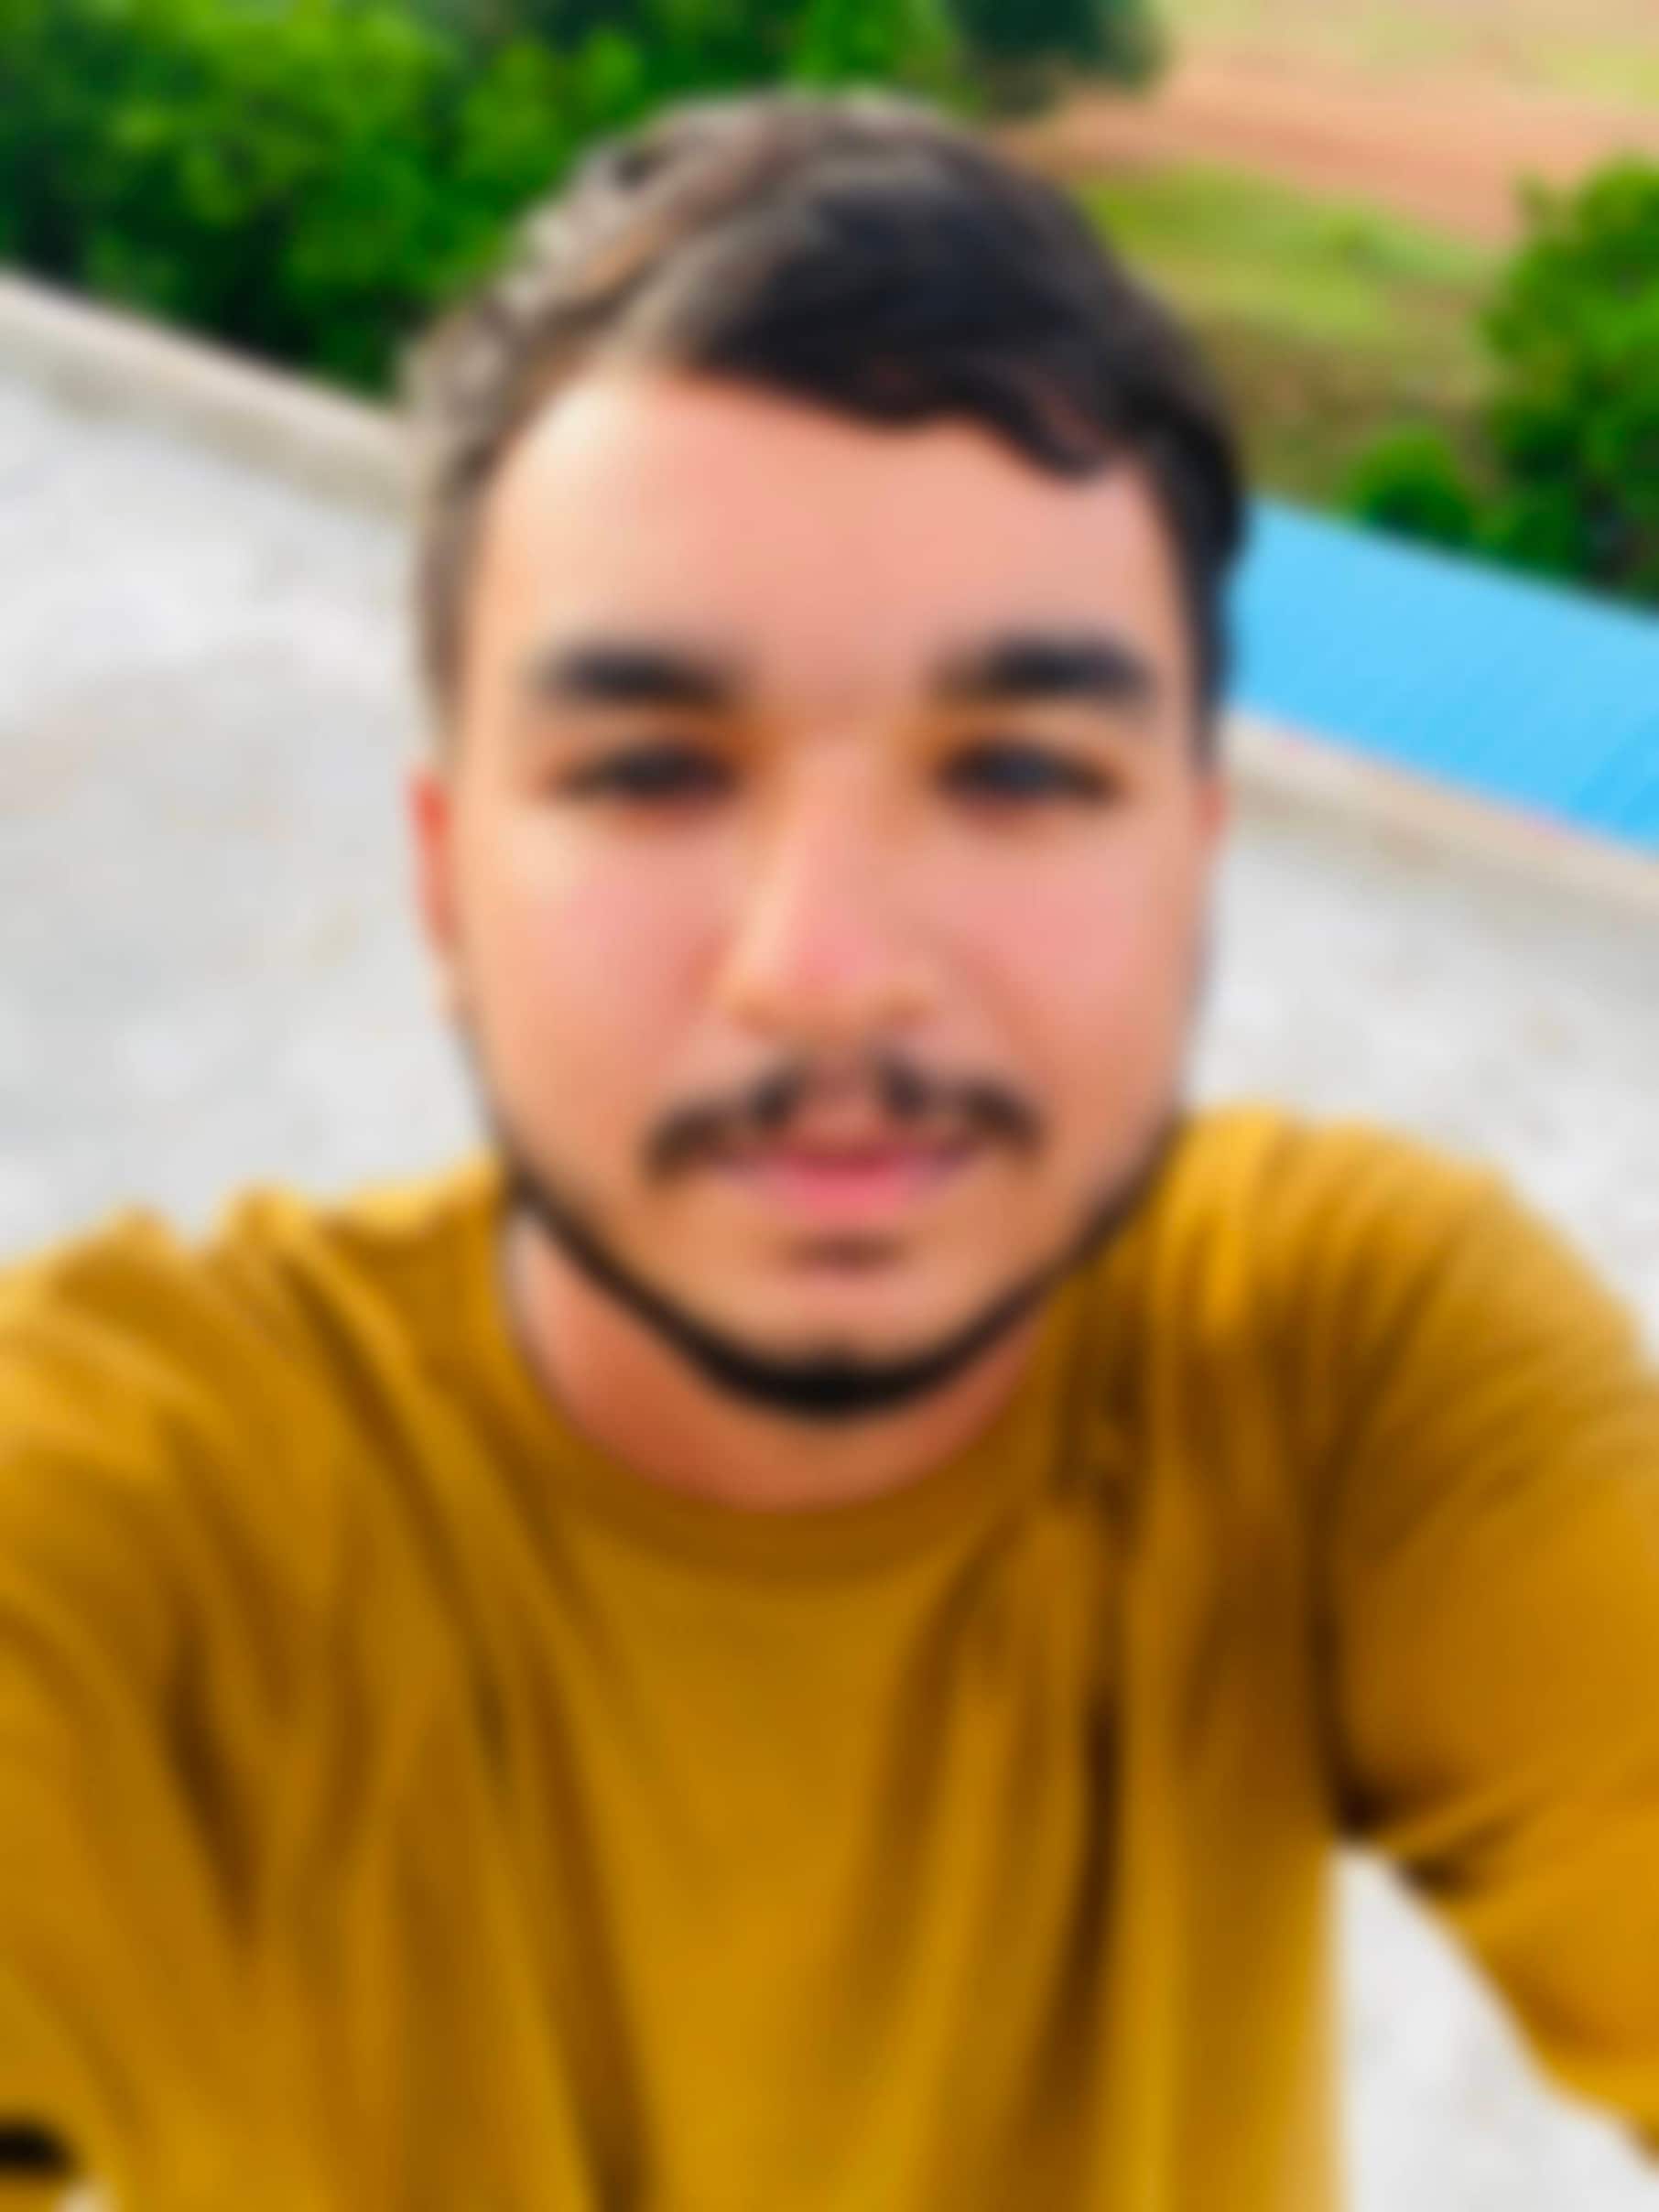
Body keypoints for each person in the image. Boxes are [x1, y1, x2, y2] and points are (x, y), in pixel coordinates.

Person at [1, 88, 1655, 2212]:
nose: (828, 972)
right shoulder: (144, 1517)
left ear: (1195, 856)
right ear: (443, 880)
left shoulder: (1350, 1375)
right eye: (651, 767)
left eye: (1021, 770)